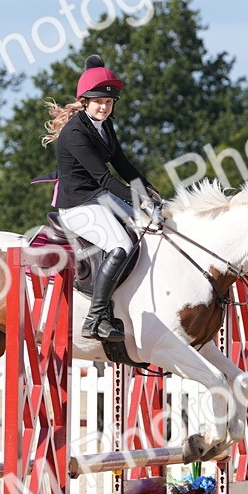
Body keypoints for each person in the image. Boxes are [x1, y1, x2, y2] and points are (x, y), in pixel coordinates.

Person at [40, 54, 162, 342]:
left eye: (109, 103)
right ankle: (96, 318)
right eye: (99, 102)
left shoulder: (104, 125)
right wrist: (138, 200)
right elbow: (103, 179)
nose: (105, 107)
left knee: (151, 228)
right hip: (78, 205)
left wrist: (148, 190)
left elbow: (122, 163)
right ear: (85, 101)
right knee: (120, 244)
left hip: (99, 198)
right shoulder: (75, 133)